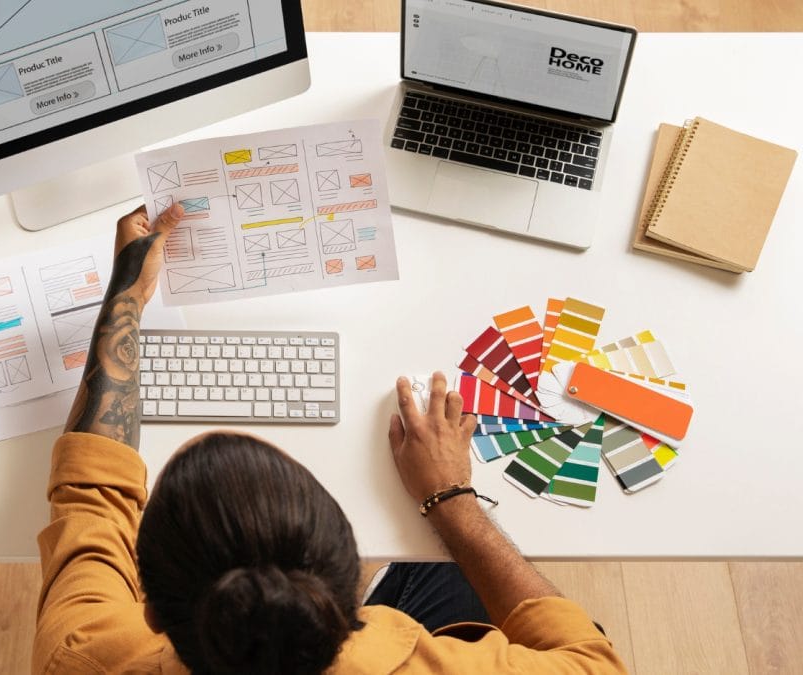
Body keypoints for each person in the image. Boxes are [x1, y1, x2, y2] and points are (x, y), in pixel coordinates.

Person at [33, 203, 628, 674]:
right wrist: (451, 500)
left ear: (153, 614)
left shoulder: (83, 658)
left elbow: (91, 490)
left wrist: (129, 295)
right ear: (352, 596)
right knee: (445, 568)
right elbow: (592, 661)